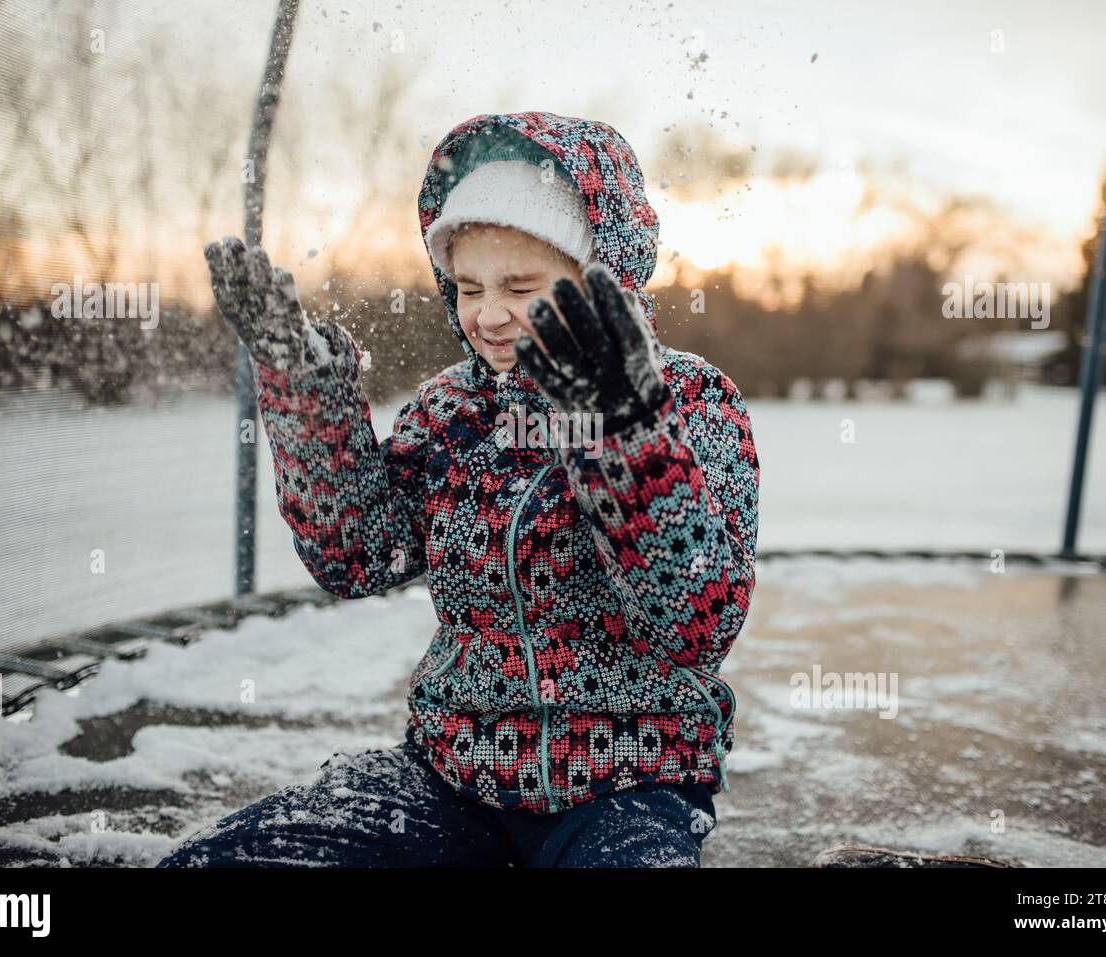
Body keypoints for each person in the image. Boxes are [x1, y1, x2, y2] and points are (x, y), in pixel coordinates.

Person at [156, 110, 760, 868]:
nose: (488, 313)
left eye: (521, 284)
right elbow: (360, 555)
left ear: (599, 276)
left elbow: (695, 624)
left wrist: (620, 429)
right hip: (451, 775)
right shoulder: (454, 410)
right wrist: (304, 392)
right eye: (468, 286)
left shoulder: (691, 402)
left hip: (629, 784)